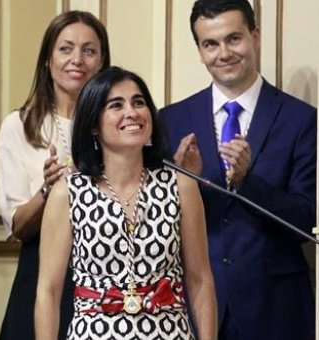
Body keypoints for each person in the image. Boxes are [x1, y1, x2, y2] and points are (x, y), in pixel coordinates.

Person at [159, 1, 316, 339]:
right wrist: (188, 183)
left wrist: (248, 182)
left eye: (234, 39)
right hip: (197, 305)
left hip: (276, 309)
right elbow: (160, 227)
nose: (224, 53)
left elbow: (304, 222)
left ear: (254, 36)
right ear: (199, 51)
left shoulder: (300, 119)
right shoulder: (171, 119)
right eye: (210, 44)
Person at [35, 67, 217, 339]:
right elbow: (48, 290)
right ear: (93, 124)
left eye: (139, 102)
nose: (132, 112)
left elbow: (200, 280)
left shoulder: (181, 186)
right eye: (116, 105)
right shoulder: (67, 193)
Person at [0, 10, 110, 340]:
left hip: (107, 278)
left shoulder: (118, 123)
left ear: (102, 61)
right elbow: (17, 227)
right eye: (66, 48)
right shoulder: (20, 126)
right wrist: (48, 190)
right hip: (42, 274)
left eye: (89, 50)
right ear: (48, 59)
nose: (77, 59)